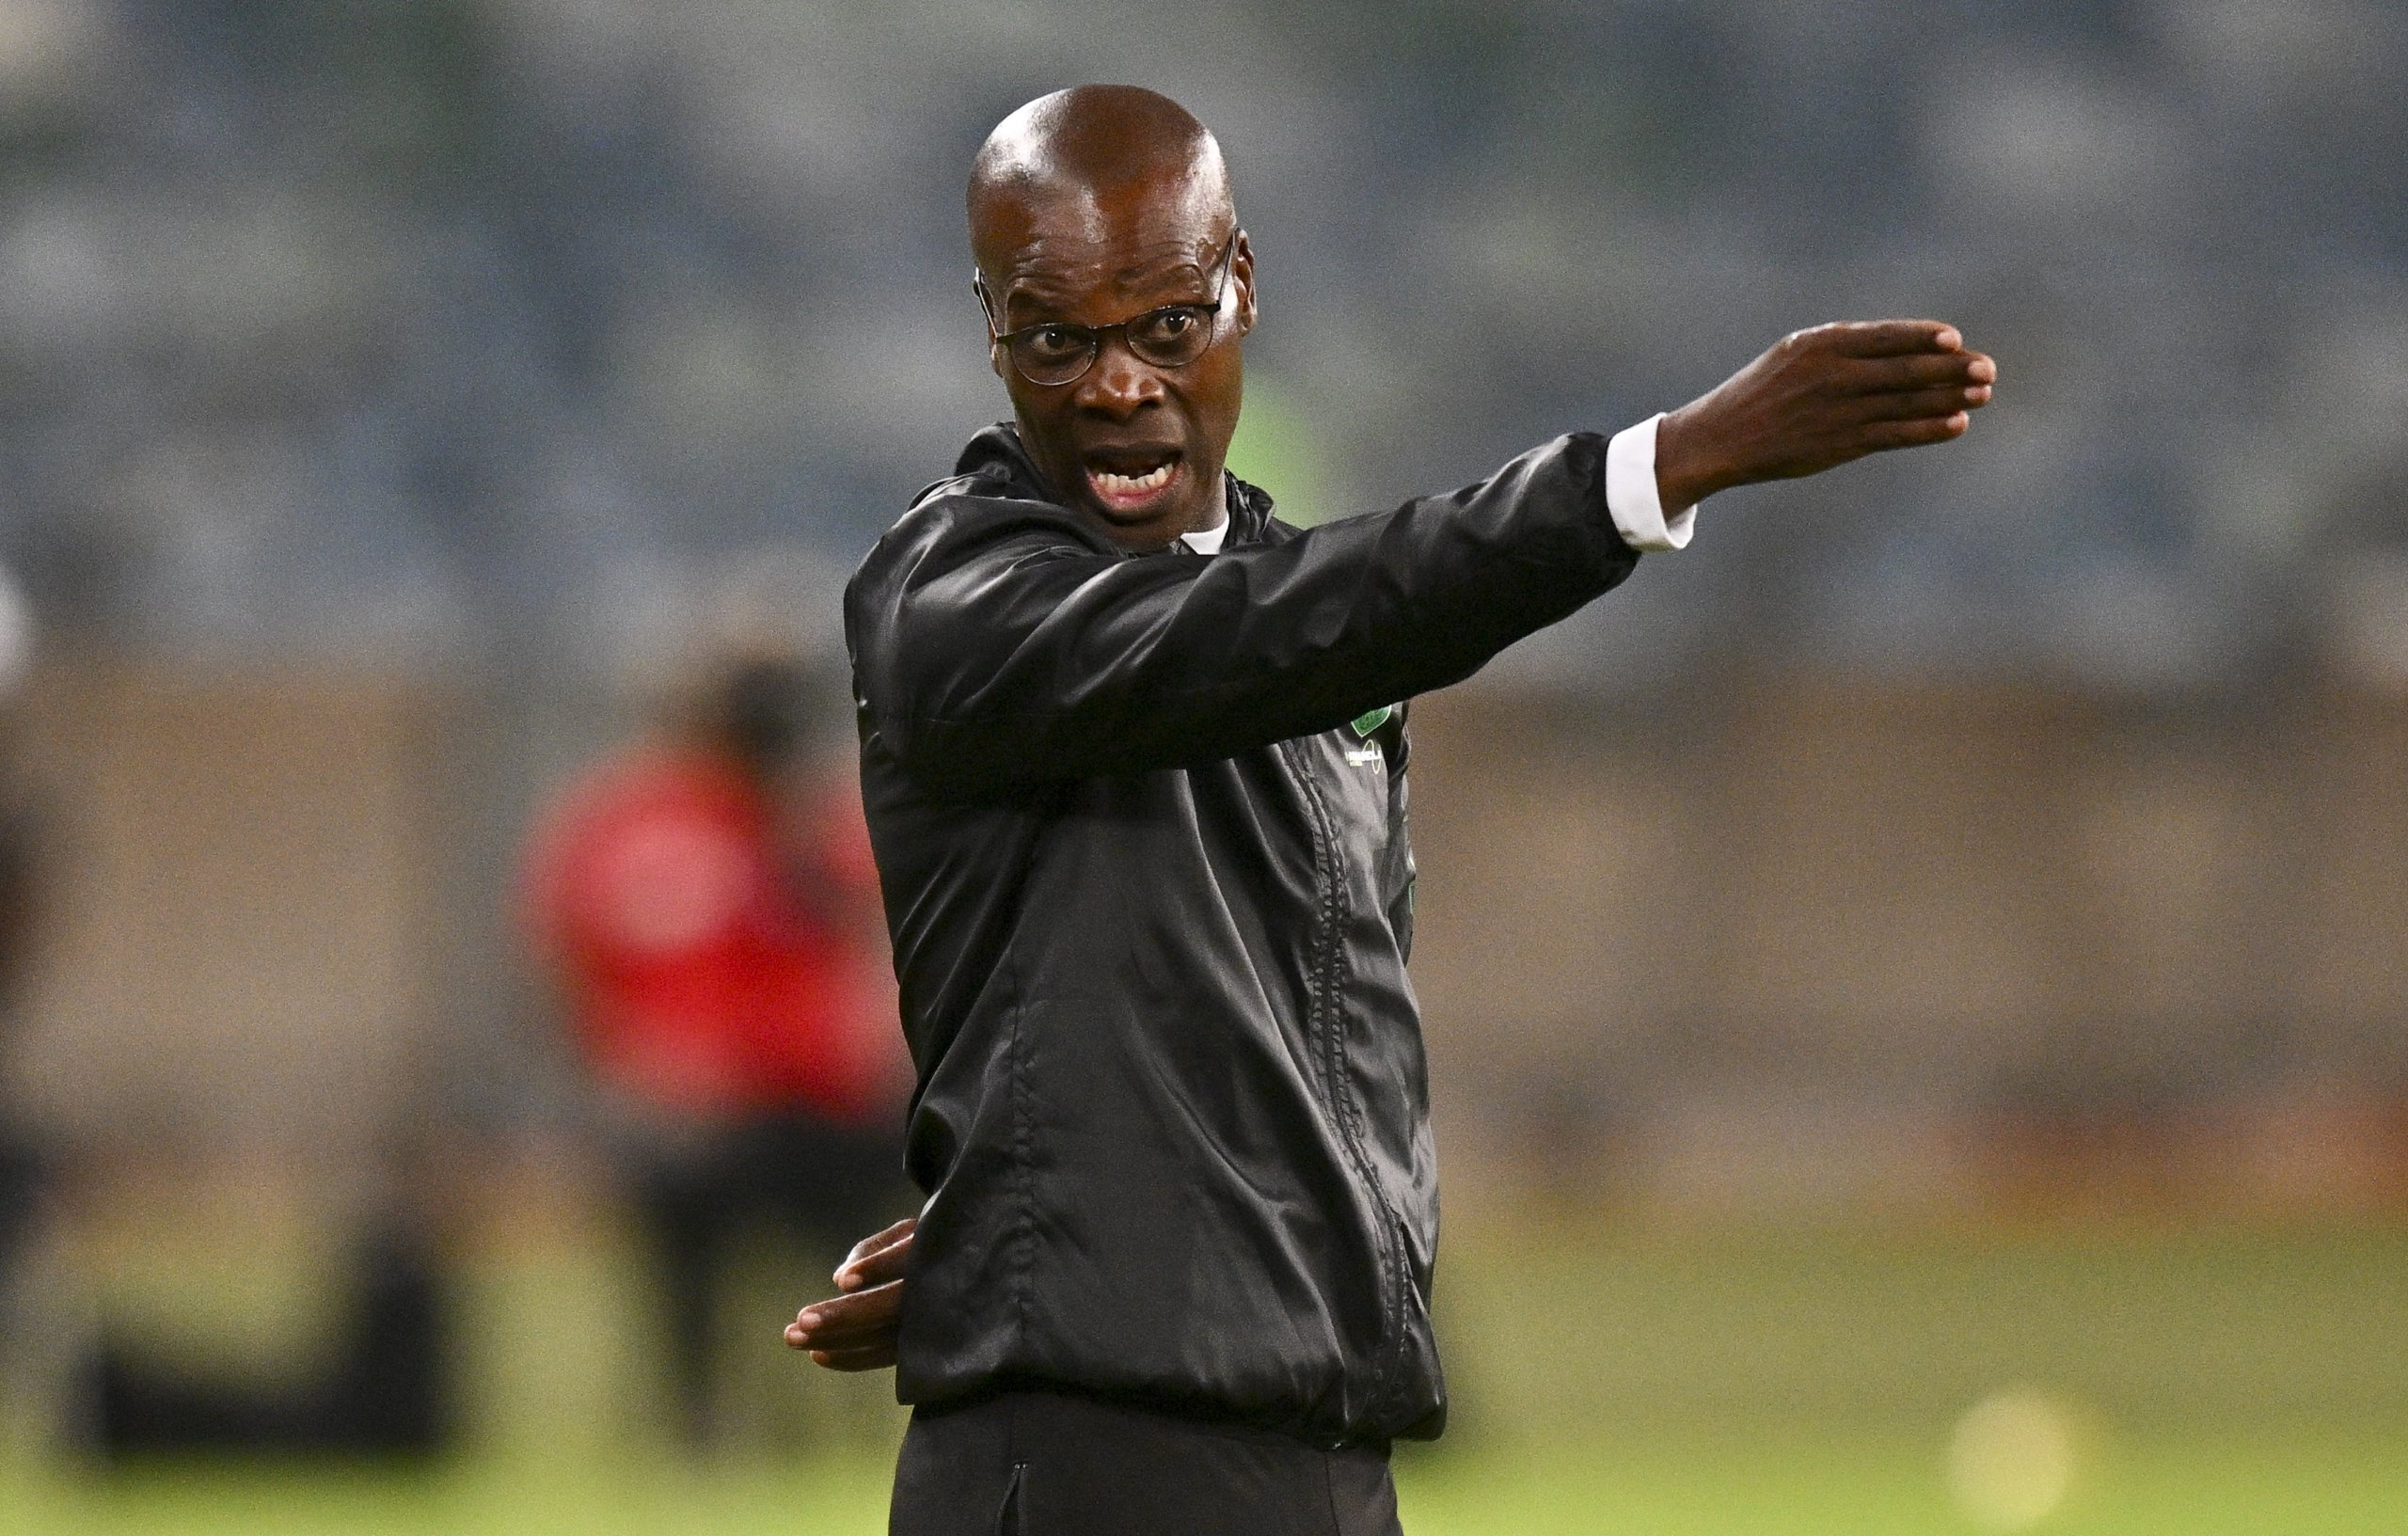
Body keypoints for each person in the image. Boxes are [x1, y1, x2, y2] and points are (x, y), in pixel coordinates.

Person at [784, 85, 1996, 1533]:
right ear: (991, 329)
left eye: (1167, 323)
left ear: (1242, 287)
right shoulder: (959, 600)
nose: (1116, 384)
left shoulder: (1303, 618)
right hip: (1102, 1463)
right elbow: (1278, 631)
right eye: (1057, 338)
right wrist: (1651, 469)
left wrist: (1051, 1203)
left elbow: (1289, 1005)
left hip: (1314, 1447)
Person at [523, 646, 906, 1449]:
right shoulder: (630, 824)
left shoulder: (817, 824)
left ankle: (882, 1403)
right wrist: (624, 1075)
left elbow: (882, 956)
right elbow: (567, 965)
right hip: (692, 1122)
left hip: (818, 1106)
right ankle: (699, 1416)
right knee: (684, 1191)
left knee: (914, 1183)